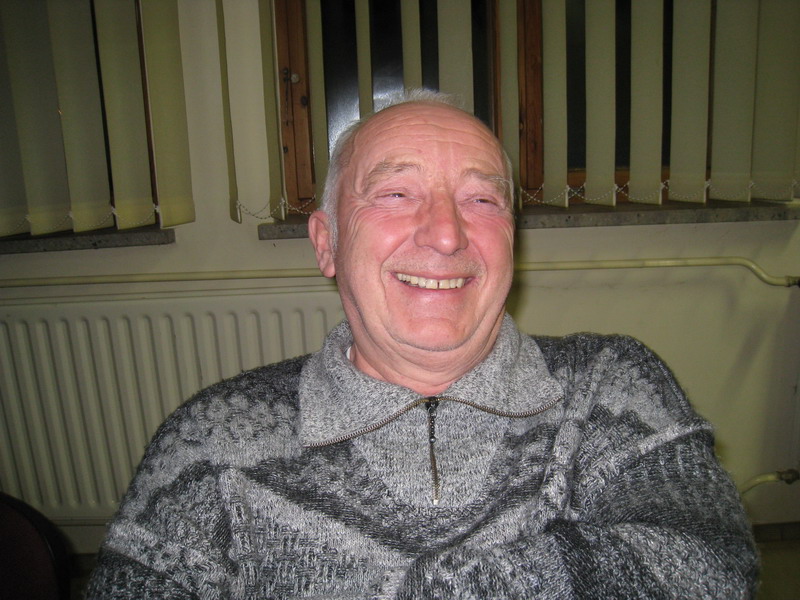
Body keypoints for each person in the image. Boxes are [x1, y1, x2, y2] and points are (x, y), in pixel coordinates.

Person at [87, 89, 758, 599]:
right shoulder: (212, 439)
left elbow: (703, 567)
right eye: (395, 192)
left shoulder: (611, 384)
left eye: (482, 201)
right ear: (326, 243)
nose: (445, 233)